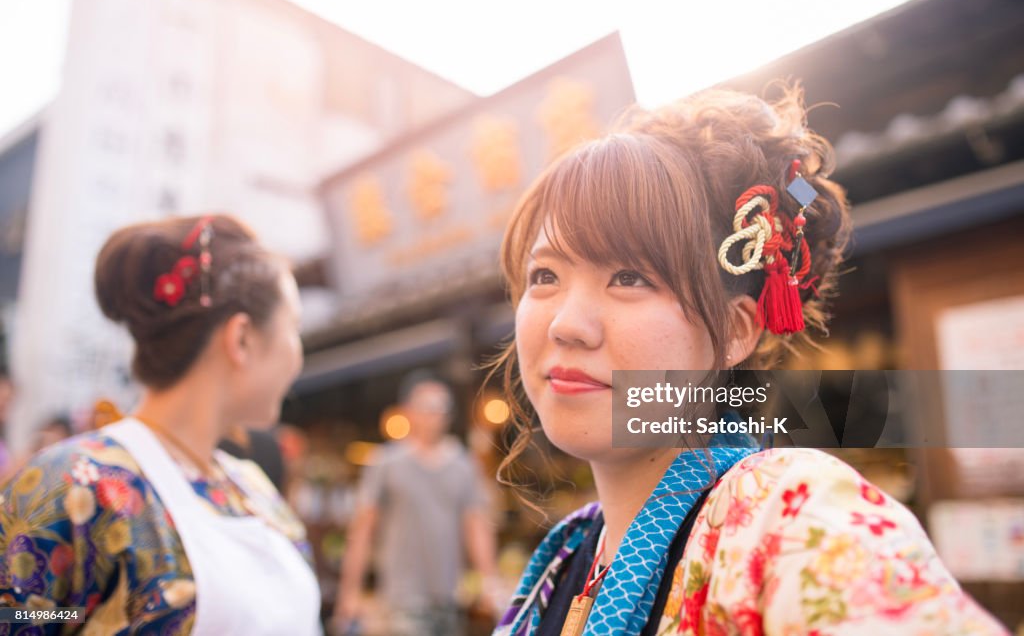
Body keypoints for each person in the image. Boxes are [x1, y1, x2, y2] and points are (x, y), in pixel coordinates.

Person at [491, 88, 1009, 635]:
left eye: (629, 278)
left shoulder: (792, 519)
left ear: (735, 331)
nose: (565, 324)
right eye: (544, 276)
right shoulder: (565, 557)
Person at [0, 215, 321, 635]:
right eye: (293, 327)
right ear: (241, 338)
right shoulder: (76, 483)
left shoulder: (253, 489)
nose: (298, 354)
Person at [333, 370, 499, 636]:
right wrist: (349, 592)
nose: (435, 414)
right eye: (427, 407)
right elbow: (363, 528)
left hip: (449, 596)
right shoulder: (386, 462)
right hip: (402, 597)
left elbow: (476, 526)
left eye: (441, 407)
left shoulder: (463, 465)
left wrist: (490, 582)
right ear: (409, 411)